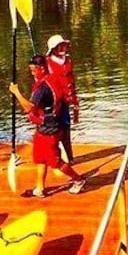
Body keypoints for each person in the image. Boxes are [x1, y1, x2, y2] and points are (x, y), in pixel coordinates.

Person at [9, 55, 86, 197]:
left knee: (55, 161)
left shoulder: (42, 89)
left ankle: (78, 180)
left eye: (33, 71)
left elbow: (29, 108)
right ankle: (39, 188)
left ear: (42, 68)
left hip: (50, 130)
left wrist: (16, 93)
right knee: (39, 157)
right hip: (45, 128)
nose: (32, 74)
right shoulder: (53, 78)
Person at [45, 34, 79, 163]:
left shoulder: (68, 61)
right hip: (54, 101)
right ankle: (54, 157)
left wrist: (75, 100)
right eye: (59, 46)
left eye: (63, 45)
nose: (62, 48)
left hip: (66, 100)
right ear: (53, 49)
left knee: (66, 127)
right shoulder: (46, 62)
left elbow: (71, 81)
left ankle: (69, 158)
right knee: (54, 129)